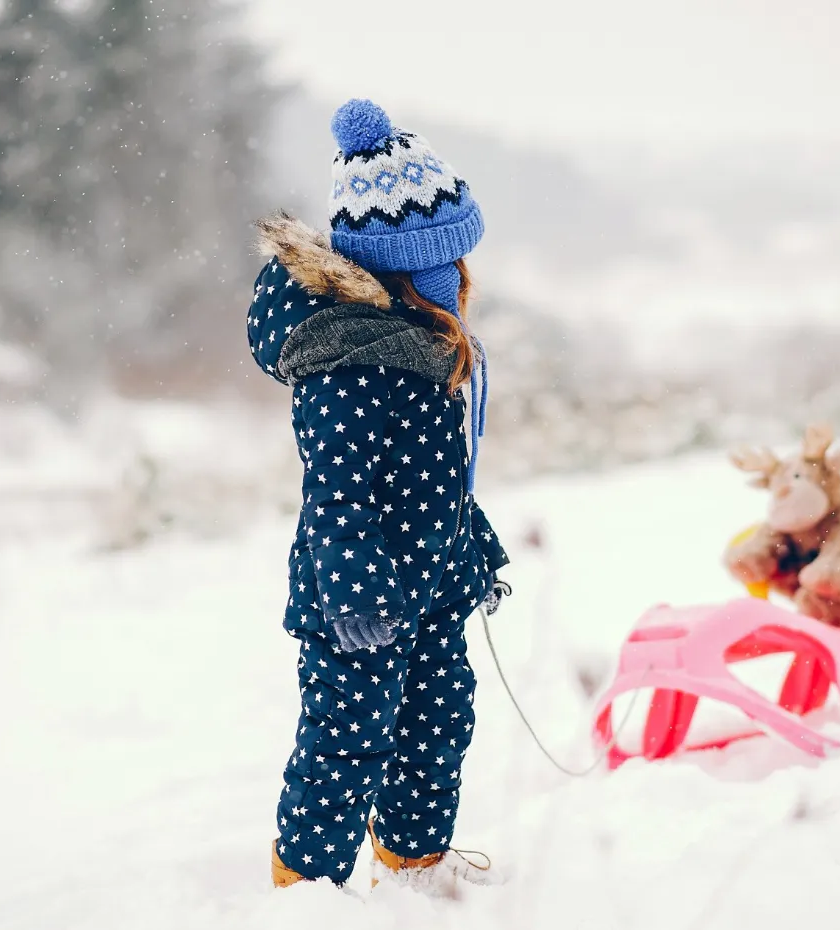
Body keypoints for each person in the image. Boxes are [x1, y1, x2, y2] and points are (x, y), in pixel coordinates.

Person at [247, 98, 512, 894]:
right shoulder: (349, 364)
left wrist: (477, 552)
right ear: (409, 269)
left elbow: (438, 480)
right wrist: (360, 592)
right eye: (447, 266)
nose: (461, 282)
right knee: (347, 739)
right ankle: (306, 891)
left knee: (439, 721)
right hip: (357, 596)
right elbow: (339, 497)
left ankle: (413, 867)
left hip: (431, 583)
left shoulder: (429, 348)